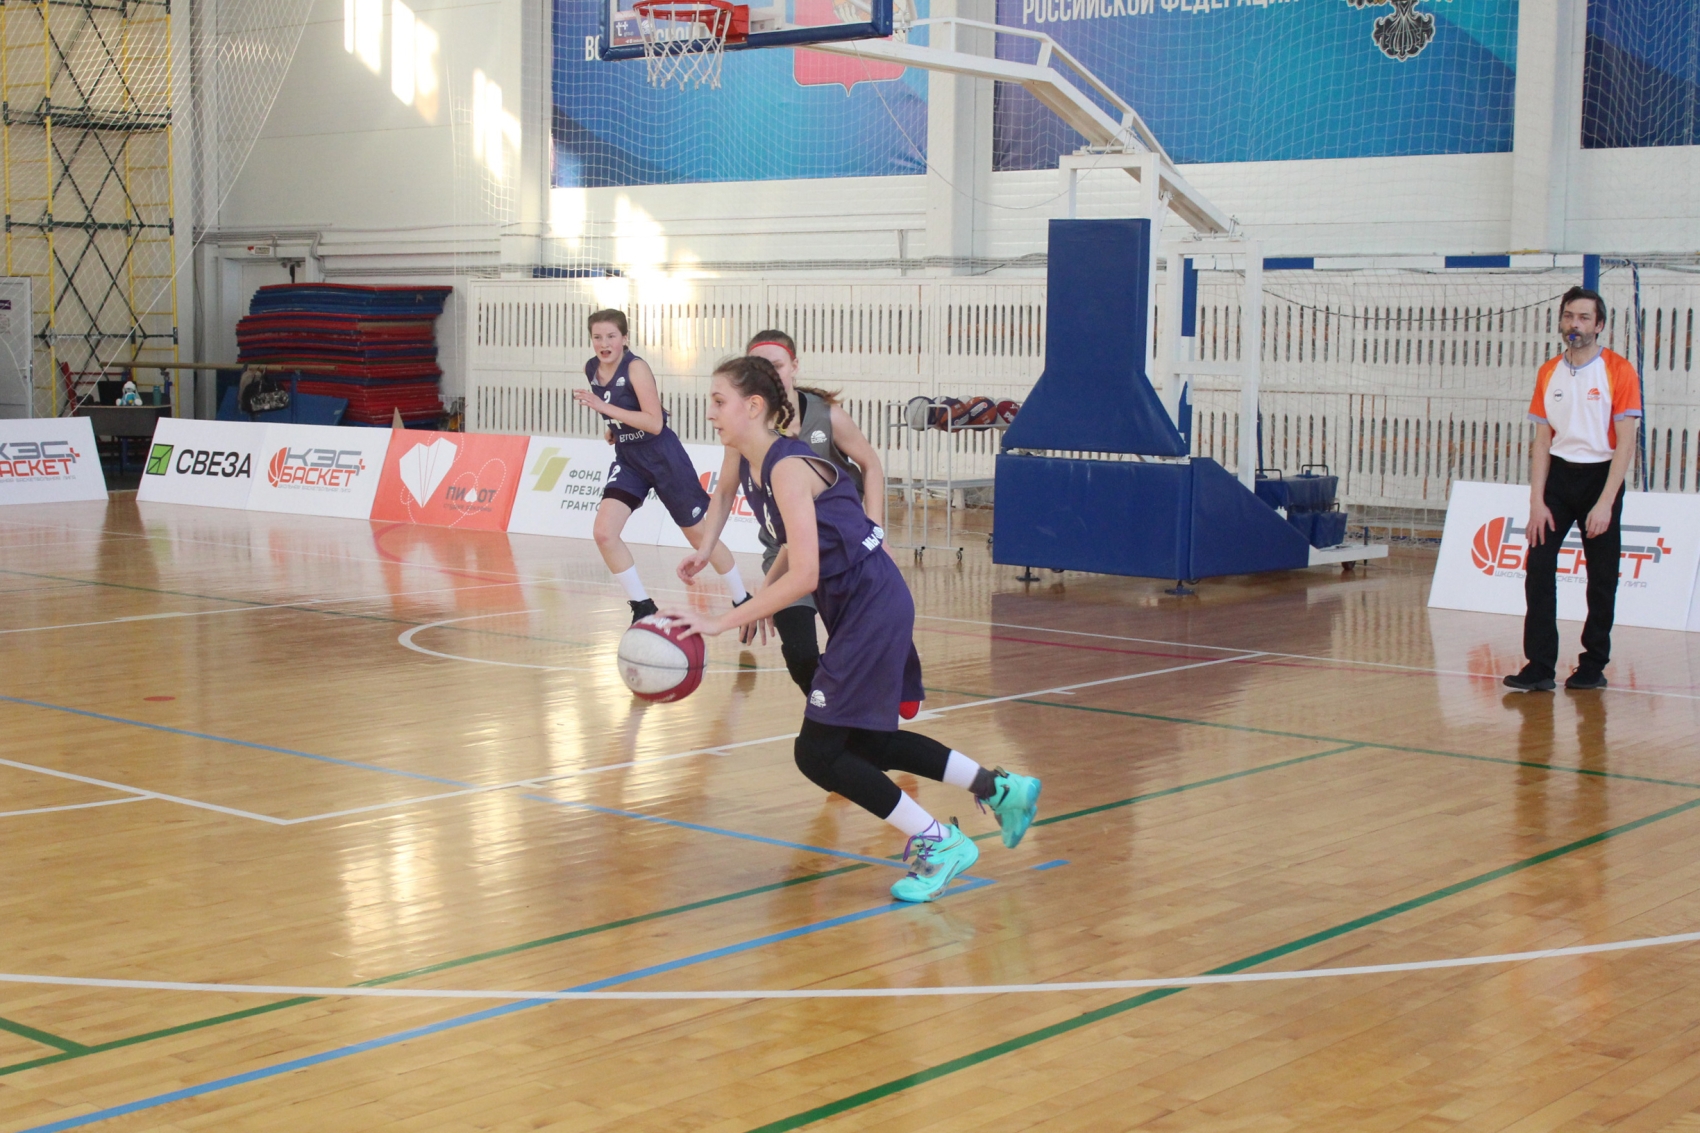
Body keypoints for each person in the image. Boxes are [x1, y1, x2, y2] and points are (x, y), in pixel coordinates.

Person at [666, 356, 1041, 902]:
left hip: (871, 605)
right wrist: (751, 584)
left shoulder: (787, 468)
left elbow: (806, 574)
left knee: (817, 754)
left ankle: (939, 842)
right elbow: (793, 544)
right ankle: (1000, 789)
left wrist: (723, 619)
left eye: (719, 401)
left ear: (754, 406)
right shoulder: (754, 460)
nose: (710, 412)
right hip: (864, 604)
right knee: (867, 742)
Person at [687, 329, 887, 694]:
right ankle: (833, 713)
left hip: (843, 551)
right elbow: (725, 492)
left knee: (856, 657)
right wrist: (706, 551)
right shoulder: (743, 433)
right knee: (800, 654)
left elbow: (871, 464)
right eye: (759, 365)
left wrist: (877, 531)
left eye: (776, 365)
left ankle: (853, 709)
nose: (770, 372)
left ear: (794, 366)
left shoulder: (825, 418)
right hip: (785, 553)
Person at [1504, 286, 1641, 693]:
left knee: (1601, 577)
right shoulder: (1549, 372)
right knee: (1538, 567)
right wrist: (1536, 500)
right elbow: (1542, 441)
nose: (1574, 324)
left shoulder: (1619, 370)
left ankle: (1593, 663)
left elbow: (1626, 442)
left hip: (1601, 477)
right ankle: (1539, 665)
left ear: (1599, 326)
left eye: (1583, 317)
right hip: (1560, 479)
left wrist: (1606, 502)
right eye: (1568, 316)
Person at [570, 309, 748, 623]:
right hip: (629, 459)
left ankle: (742, 598)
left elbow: (654, 423)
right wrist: (615, 427)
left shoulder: (636, 367)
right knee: (604, 533)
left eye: (611, 336)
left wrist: (605, 408)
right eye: (597, 337)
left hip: (663, 457)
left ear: (625, 338)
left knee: (699, 536)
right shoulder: (591, 368)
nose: (604, 343)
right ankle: (643, 605)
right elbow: (626, 408)